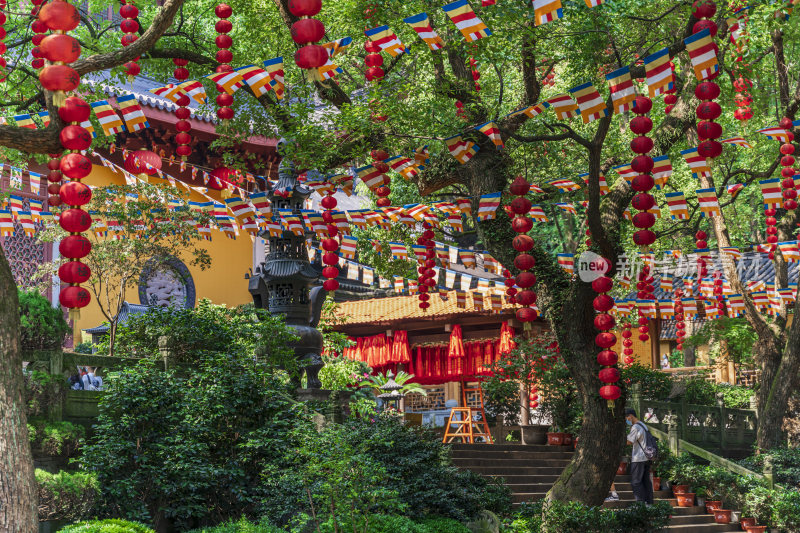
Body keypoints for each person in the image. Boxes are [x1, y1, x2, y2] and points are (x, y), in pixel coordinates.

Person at [625, 408, 654, 504]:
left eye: (626, 418)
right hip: (647, 456)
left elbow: (629, 441)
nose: (626, 420)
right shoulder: (643, 425)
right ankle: (649, 502)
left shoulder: (636, 427)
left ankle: (640, 503)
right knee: (646, 481)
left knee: (636, 482)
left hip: (639, 458)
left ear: (630, 416)